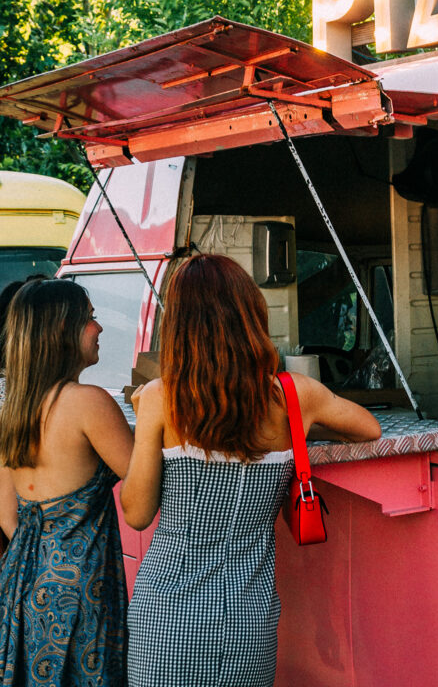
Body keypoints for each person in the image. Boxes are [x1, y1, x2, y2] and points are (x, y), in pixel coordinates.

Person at [121, 253, 381, 687]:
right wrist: (303, 427)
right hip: (249, 617)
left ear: (179, 327)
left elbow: (137, 512)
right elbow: (369, 428)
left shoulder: (160, 398)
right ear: (251, 315)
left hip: (168, 612)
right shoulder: (295, 396)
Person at [0, 278, 134, 685]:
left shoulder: (14, 408)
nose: (99, 327)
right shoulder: (87, 402)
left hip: (22, 584)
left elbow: (7, 516)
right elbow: (146, 481)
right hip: (82, 590)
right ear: (63, 328)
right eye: (90, 318)